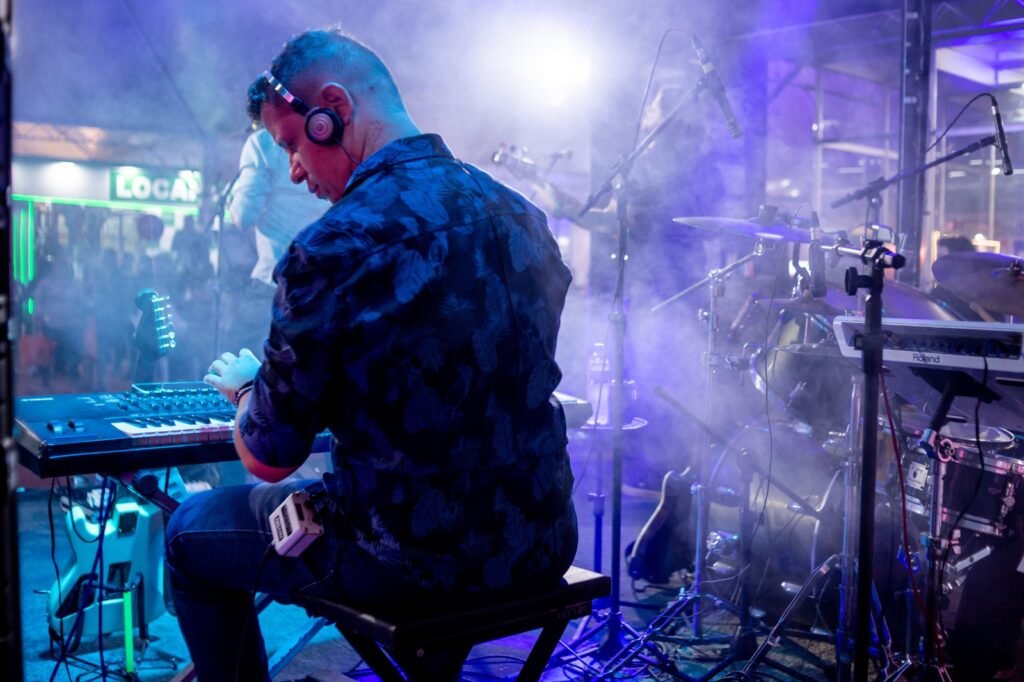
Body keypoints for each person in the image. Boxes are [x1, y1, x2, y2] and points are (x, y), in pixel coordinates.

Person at [164, 27, 579, 680]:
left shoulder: (331, 248)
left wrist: (248, 389)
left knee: (189, 531)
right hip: (541, 539)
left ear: (332, 110)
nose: (294, 171)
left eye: (291, 145)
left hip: (408, 559)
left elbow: (270, 457)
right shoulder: (523, 216)